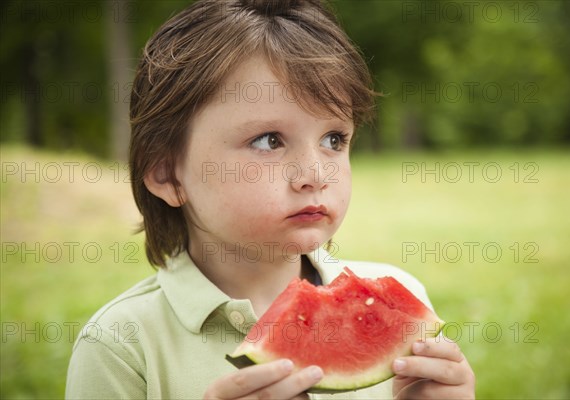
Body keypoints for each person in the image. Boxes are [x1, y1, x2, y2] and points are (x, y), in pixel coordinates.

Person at [66, 0, 475, 398]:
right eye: (268, 141)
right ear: (166, 173)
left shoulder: (402, 299)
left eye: (334, 139)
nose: (315, 174)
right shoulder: (119, 345)